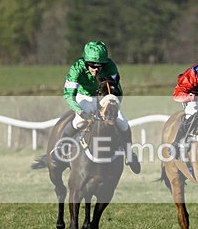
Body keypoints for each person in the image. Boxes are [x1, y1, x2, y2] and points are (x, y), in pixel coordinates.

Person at [60, 40, 140, 173]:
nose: (96, 69)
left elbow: (117, 92)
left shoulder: (110, 67)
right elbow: (69, 95)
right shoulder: (76, 68)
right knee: (78, 121)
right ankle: (61, 147)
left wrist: (113, 106)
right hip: (84, 96)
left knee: (123, 123)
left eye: (100, 66)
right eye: (92, 65)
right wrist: (81, 112)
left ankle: (130, 154)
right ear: (86, 62)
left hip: (105, 97)